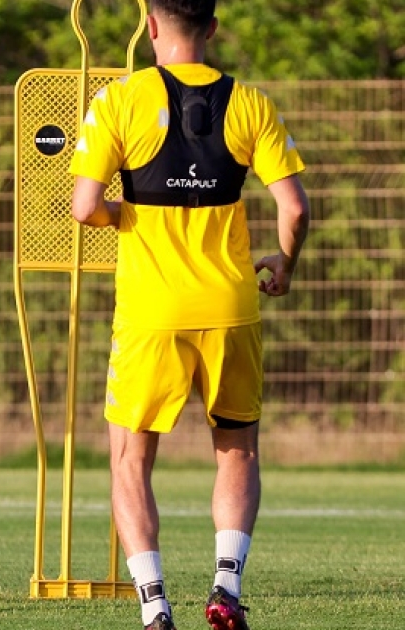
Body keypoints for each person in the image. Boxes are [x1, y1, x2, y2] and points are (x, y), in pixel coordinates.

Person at [68, 2, 309, 629]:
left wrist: (127, 214)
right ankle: (226, 588)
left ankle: (155, 607)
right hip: (230, 305)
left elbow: (84, 206)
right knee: (237, 452)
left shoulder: (118, 101)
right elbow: (295, 209)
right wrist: (284, 265)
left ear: (150, 25)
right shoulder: (249, 103)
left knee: (130, 460)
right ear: (212, 28)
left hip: (151, 309)